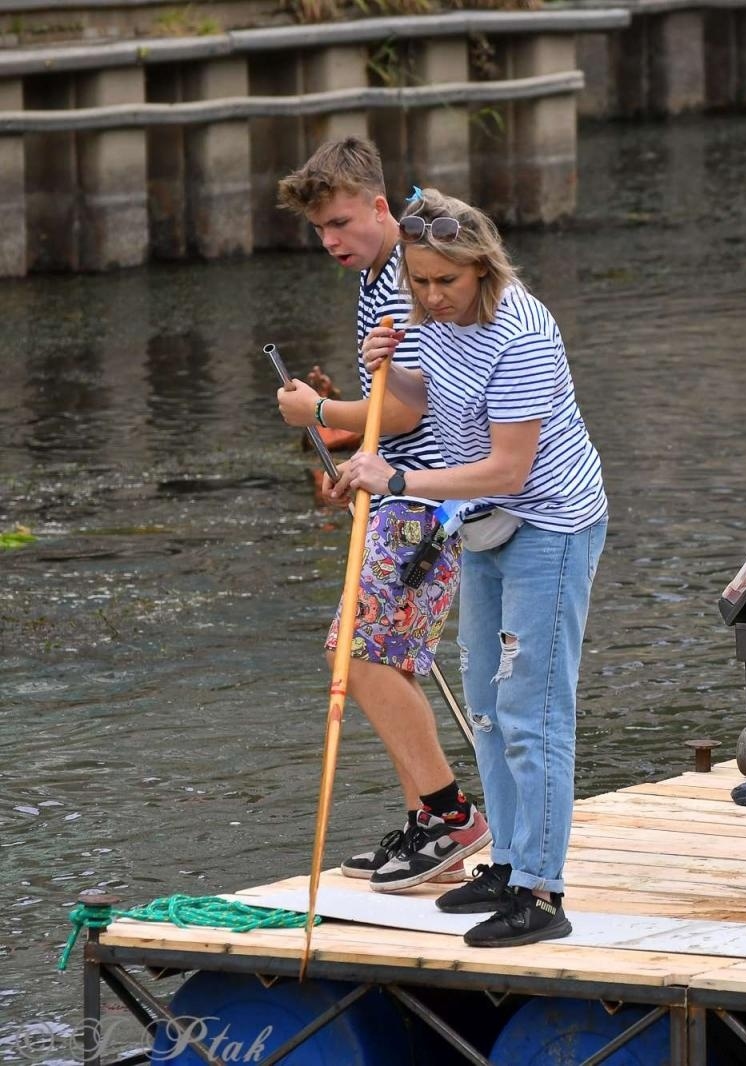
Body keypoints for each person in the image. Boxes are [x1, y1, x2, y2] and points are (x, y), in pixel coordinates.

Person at [332, 188, 607, 949]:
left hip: (550, 524)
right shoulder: (430, 318)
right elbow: (426, 399)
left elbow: (508, 468)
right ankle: (508, 864)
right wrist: (386, 371)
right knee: (485, 706)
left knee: (531, 712)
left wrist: (397, 479)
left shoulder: (522, 334)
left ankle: (542, 893)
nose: (430, 296)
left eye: (445, 281)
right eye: (418, 281)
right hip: (482, 525)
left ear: (482, 267)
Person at [275, 139, 488, 893]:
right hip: (398, 491)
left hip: (428, 500)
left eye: (340, 223)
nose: (330, 241)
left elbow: (407, 408)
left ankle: (453, 817)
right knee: (386, 658)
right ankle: (426, 824)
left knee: (359, 654)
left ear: (377, 206)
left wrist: (318, 410)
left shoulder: (405, 277)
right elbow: (387, 410)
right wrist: (353, 459)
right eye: (319, 231)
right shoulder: (376, 276)